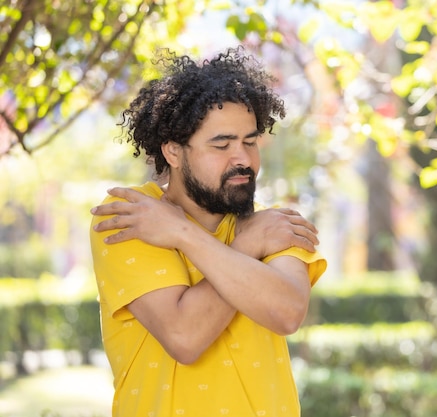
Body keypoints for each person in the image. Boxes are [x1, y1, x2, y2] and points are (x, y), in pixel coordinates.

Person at [89, 46, 327, 417]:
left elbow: (287, 312)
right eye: (222, 144)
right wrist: (246, 245)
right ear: (173, 151)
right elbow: (184, 337)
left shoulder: (272, 224)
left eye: (250, 142)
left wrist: (182, 234)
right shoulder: (132, 216)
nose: (243, 159)